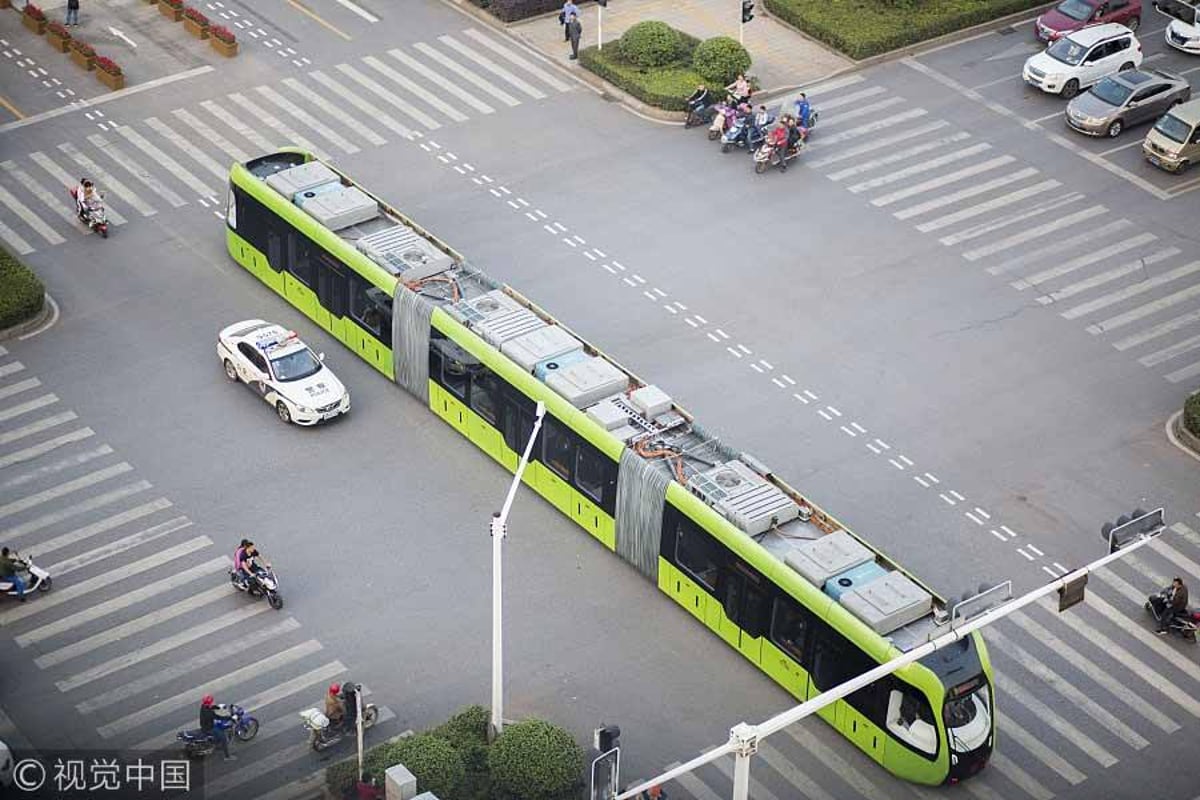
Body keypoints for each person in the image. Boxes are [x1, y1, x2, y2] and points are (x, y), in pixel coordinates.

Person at [199, 695, 235, 761]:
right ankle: (227, 757)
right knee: (223, 739)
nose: (214, 702)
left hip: (206, 724)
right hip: (209, 728)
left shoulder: (204, 706)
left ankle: (217, 742)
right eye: (212, 702)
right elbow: (218, 717)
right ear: (209, 703)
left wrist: (217, 707)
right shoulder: (209, 713)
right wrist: (230, 717)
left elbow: (211, 708)